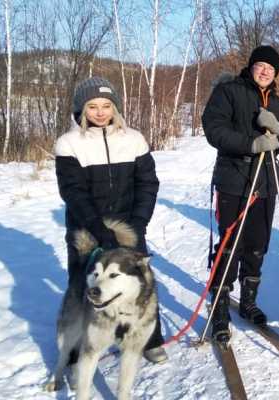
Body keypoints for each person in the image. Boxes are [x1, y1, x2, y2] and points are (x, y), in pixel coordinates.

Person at [54, 76, 167, 363]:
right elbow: (73, 191)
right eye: (93, 106)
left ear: (115, 108)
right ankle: (77, 342)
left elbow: (147, 183)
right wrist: (97, 229)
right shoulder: (69, 143)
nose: (100, 112)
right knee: (83, 285)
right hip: (86, 229)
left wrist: (138, 224)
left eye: (106, 105)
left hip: (129, 227)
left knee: (140, 283)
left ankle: (150, 339)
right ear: (82, 110)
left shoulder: (133, 139)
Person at [201, 45, 279, 341]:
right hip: (235, 177)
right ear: (251, 67)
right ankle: (219, 309)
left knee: (258, 244)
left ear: (276, 72)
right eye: (260, 65)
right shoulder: (229, 91)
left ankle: (248, 302)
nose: (265, 71)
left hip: (266, 180)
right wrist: (251, 144)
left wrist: (278, 131)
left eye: (271, 68)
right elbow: (213, 129)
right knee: (231, 244)